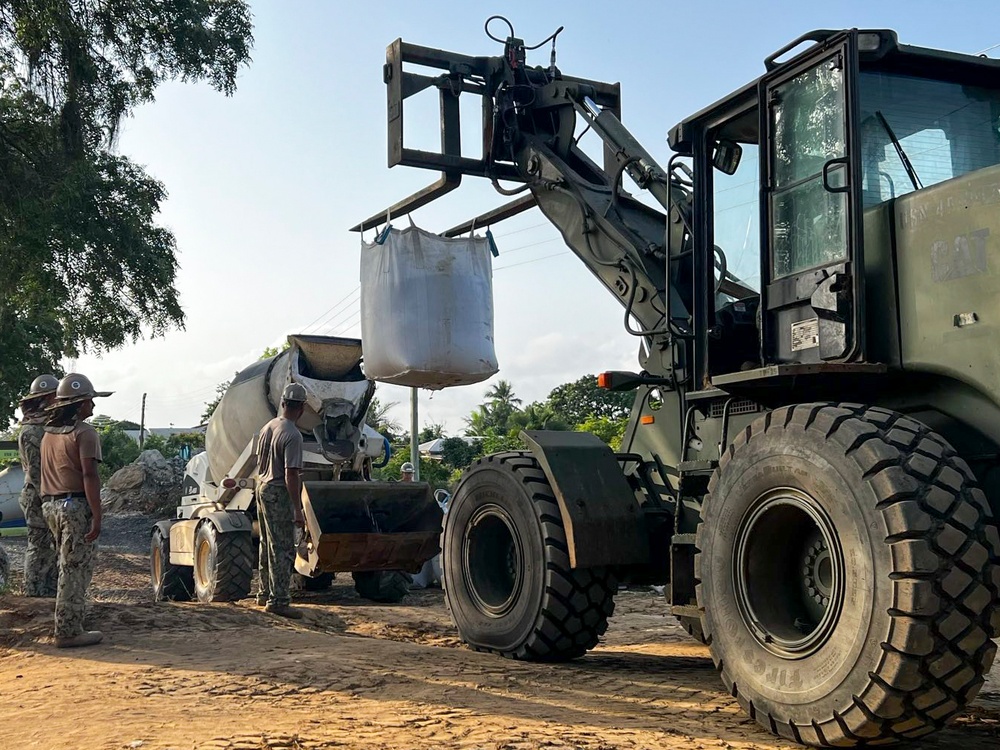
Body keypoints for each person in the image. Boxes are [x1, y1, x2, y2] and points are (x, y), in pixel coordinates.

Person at [40, 373, 112, 648]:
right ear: (79, 404)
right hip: (75, 506)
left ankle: (68, 621)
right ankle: (68, 630)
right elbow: (89, 475)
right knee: (76, 568)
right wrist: (97, 515)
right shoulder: (84, 433)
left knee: (65, 565)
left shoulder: (48, 435)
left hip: (52, 505)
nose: (93, 406)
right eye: (90, 401)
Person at [255, 382, 307, 619]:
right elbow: (291, 474)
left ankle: (264, 593)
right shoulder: (293, 435)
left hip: (261, 487)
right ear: (302, 408)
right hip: (277, 491)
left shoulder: (268, 427)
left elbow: (259, 461)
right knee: (283, 547)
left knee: (266, 543)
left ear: (283, 403)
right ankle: (279, 600)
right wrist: (297, 509)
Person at [17, 374, 60, 597]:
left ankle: (48, 591)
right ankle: (34, 592)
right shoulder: (32, 431)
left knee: (51, 545)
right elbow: (36, 472)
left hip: (45, 492)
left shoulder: (43, 427)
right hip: (38, 494)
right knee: (39, 545)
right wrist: (49, 499)